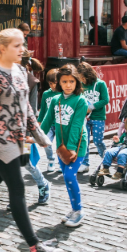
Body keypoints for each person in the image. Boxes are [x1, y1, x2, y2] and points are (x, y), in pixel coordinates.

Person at [0, 29, 62, 252]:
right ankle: (35, 246)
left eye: (22, 44)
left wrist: (38, 137)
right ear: (2, 49)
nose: (23, 49)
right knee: (17, 188)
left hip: (15, 138)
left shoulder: (19, 70)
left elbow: (26, 107)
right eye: (17, 45)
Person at [39, 65, 88, 227]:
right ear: (59, 83)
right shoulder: (55, 100)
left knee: (68, 176)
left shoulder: (80, 101)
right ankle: (74, 209)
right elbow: (46, 123)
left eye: (71, 81)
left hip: (77, 147)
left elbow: (76, 126)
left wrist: (72, 147)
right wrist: (35, 137)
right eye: (64, 81)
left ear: (77, 82)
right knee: (68, 179)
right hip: (61, 147)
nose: (68, 85)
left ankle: (79, 211)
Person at [21, 53, 51, 205]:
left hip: (23, 131)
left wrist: (29, 135)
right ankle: (16, 197)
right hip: (7, 132)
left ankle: (43, 184)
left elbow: (31, 111)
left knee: (26, 163)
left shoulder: (32, 82)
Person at [77, 62, 109, 175]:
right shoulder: (81, 85)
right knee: (84, 141)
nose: (82, 80)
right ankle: (85, 163)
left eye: (83, 78)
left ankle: (106, 160)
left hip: (98, 117)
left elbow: (105, 100)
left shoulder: (100, 84)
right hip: (85, 118)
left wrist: (92, 107)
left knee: (97, 140)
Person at [97, 115, 127, 179]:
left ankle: (119, 172)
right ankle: (105, 168)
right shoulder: (125, 134)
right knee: (108, 151)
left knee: (122, 153)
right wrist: (116, 141)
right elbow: (119, 142)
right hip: (120, 146)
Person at [37, 69, 60, 172]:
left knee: (61, 144)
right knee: (47, 142)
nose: (53, 86)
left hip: (60, 123)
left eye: (55, 83)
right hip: (49, 124)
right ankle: (51, 159)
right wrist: (39, 121)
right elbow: (43, 110)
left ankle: (62, 161)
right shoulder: (46, 94)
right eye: (50, 83)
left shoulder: (63, 93)